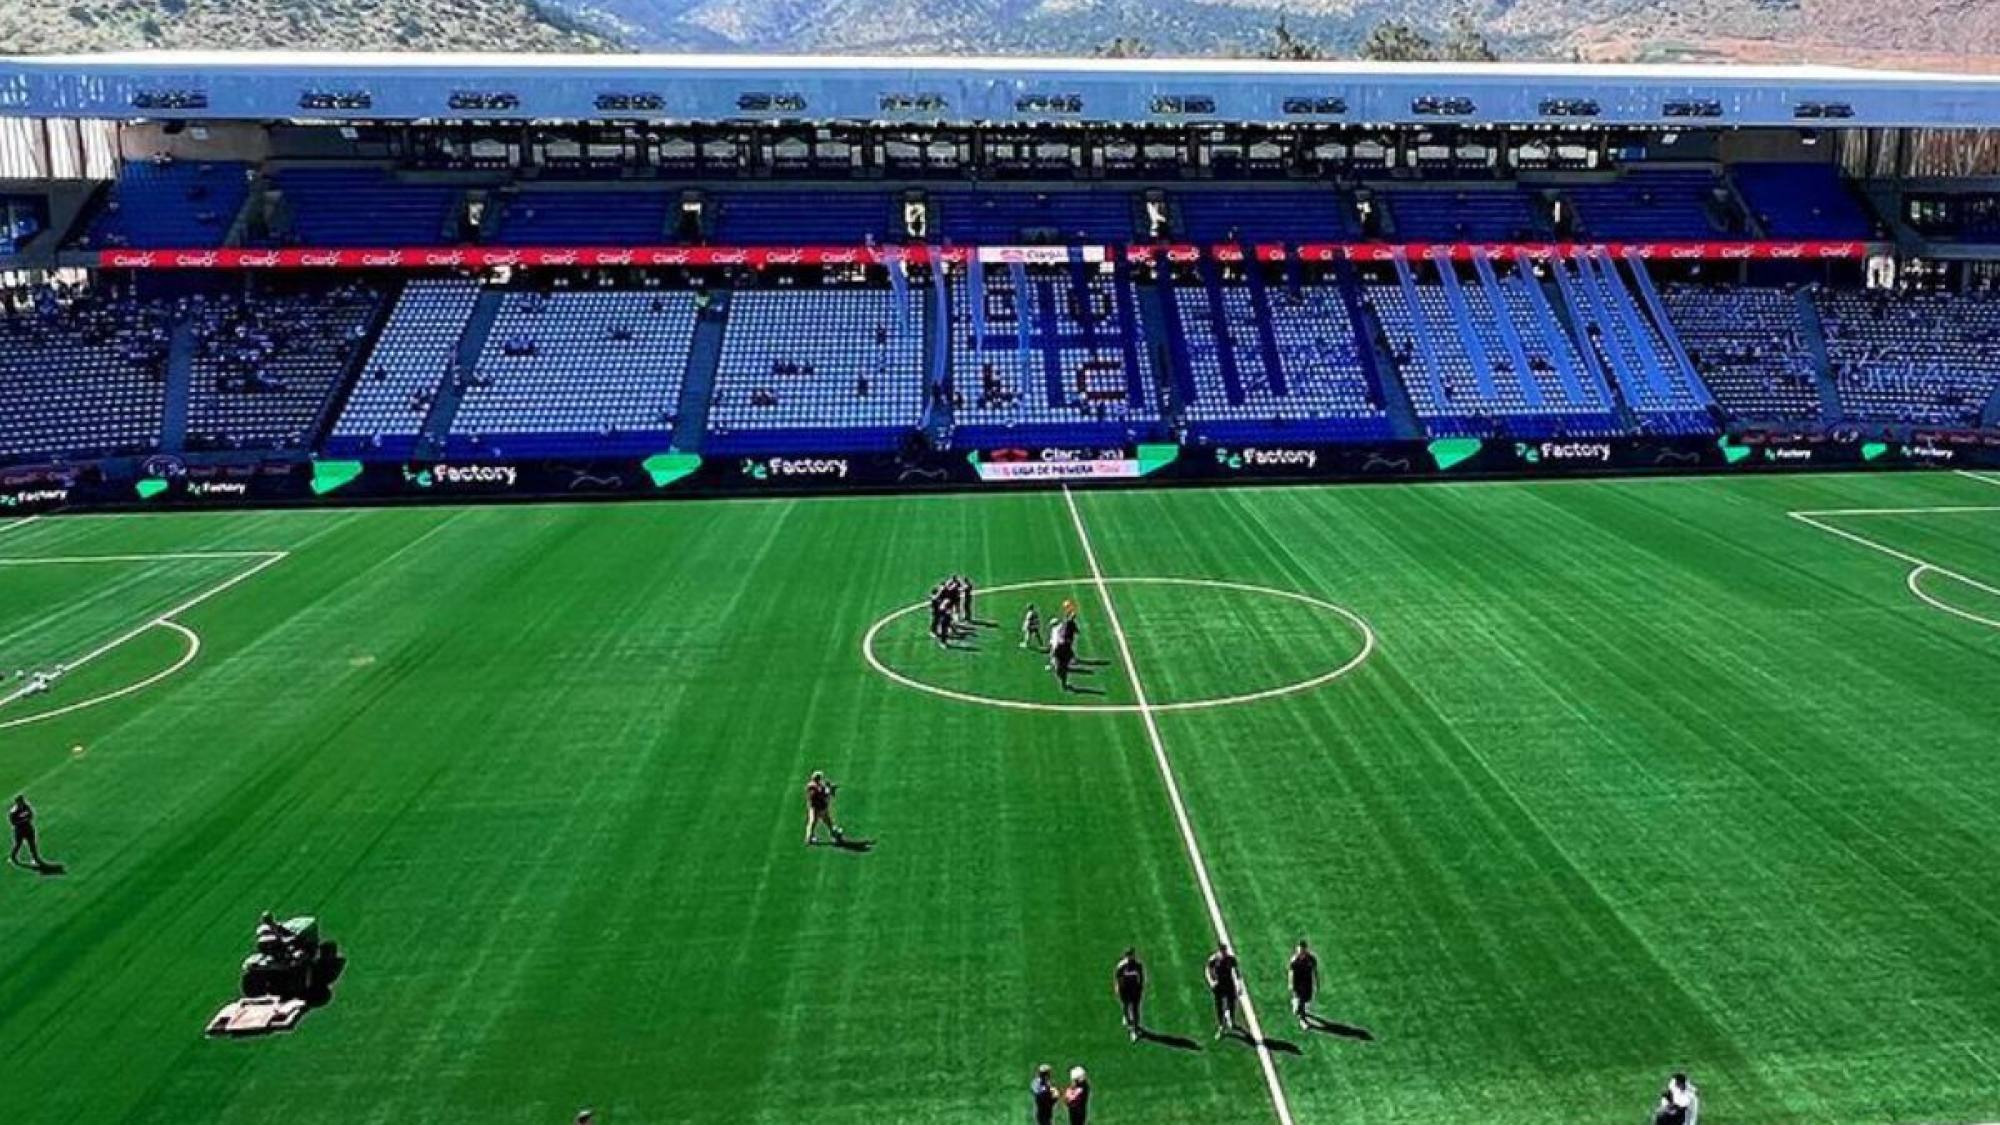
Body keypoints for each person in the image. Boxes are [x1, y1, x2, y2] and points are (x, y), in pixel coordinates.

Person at [1206, 943, 1242, 1038]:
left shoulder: (1230, 959)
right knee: (1219, 1006)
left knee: (1232, 1003)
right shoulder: (1214, 959)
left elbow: (1237, 971)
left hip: (1229, 984)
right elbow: (1207, 969)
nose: (1224, 952)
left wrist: (1239, 984)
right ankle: (1221, 1026)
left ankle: (1231, 1020)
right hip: (1219, 985)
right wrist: (1211, 981)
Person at [1112, 947, 1146, 1041]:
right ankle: (1126, 1017)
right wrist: (1118, 989)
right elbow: (1117, 979)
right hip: (1125, 990)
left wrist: (1140, 988)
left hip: (1135, 990)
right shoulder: (1121, 966)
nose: (1131, 958)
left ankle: (1134, 1030)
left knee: (1135, 1010)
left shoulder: (1138, 965)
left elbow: (1141, 978)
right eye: (1129, 956)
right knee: (1125, 1005)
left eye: (1132, 955)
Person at [804, 771, 843, 846]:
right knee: (813, 823)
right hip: (816, 809)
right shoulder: (812, 787)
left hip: (822, 808)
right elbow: (819, 796)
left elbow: (824, 792)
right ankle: (809, 838)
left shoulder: (818, 785)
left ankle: (834, 835)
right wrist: (828, 791)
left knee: (828, 822)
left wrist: (829, 789)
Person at [1287, 939, 1319, 1029]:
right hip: (1297, 982)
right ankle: (1302, 1020)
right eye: (1299, 951)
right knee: (1301, 1002)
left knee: (1306, 999)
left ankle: (1295, 1003)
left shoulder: (1311, 959)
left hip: (1307, 982)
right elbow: (1291, 972)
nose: (1301, 953)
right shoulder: (1294, 960)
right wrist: (1290, 984)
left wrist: (1316, 982)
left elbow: (1315, 971)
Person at [8, 794, 44, 868]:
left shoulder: (26, 806)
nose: (22, 802)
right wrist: (22, 821)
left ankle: (35, 858)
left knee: (32, 844)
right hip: (20, 831)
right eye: (20, 801)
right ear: (17, 802)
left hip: (28, 828)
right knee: (18, 845)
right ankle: (12, 857)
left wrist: (27, 818)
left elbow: (31, 814)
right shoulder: (13, 812)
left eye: (22, 800)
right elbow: (13, 823)